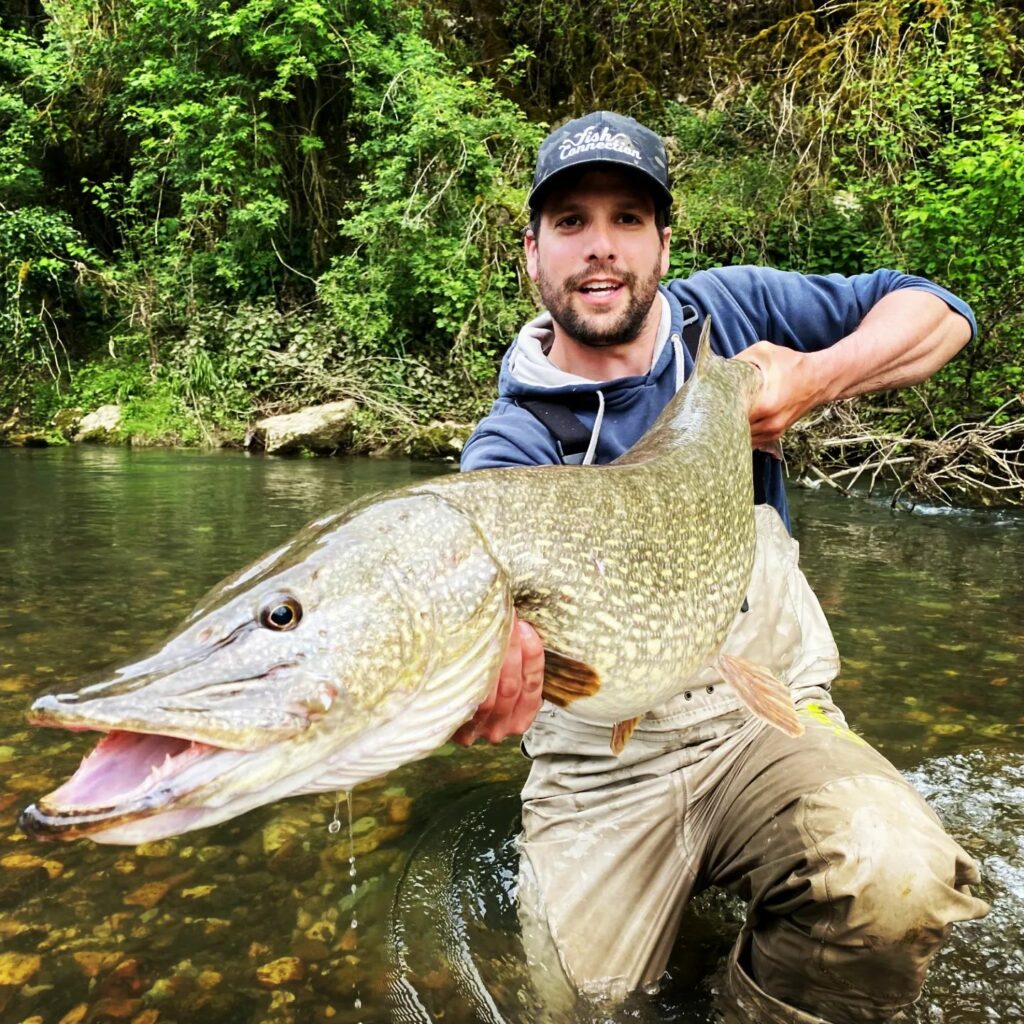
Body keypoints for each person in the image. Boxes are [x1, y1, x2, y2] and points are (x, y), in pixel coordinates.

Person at [454, 111, 989, 1023]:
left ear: (663, 240)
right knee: (578, 1007)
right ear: (532, 251)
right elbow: (491, 637)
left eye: (628, 218)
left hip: (763, 709)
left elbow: (940, 314)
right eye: (572, 221)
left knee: (897, 880)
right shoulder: (509, 451)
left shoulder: (731, 312)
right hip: (601, 763)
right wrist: (478, 675)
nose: (601, 249)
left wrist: (815, 379)